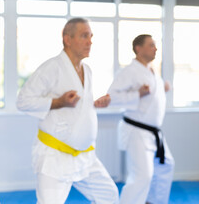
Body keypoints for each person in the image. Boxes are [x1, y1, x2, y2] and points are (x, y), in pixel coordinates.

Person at [16, 18, 119, 204]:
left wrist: (96, 103)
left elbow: (79, 107)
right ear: (67, 39)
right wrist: (59, 102)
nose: (90, 41)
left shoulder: (87, 70)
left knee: (109, 194)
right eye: (84, 36)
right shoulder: (51, 67)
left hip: (85, 155)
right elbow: (23, 101)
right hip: (54, 157)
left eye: (91, 36)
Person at [107, 34, 174, 204]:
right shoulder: (129, 71)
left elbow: (151, 98)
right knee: (142, 176)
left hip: (153, 132)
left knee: (166, 166)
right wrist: (138, 94)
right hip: (137, 131)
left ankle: (153, 201)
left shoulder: (152, 70)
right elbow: (112, 96)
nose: (155, 48)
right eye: (151, 45)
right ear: (138, 48)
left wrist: (162, 88)